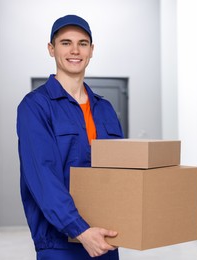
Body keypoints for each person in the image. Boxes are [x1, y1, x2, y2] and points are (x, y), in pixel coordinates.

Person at [16, 14, 123, 259]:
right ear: (51, 49)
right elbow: (42, 177)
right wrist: (81, 231)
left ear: (91, 50)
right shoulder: (35, 107)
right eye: (65, 43)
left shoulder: (104, 109)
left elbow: (120, 174)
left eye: (82, 43)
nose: (75, 50)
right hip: (60, 243)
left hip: (105, 238)